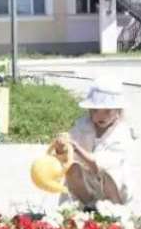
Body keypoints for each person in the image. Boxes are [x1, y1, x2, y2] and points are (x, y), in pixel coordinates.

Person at [50, 77, 133, 209]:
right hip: (87, 183)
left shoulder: (121, 133)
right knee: (72, 168)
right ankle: (85, 206)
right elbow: (67, 157)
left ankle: (114, 211)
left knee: (109, 174)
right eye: (95, 111)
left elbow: (98, 165)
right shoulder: (83, 125)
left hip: (111, 185)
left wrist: (76, 148)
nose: (101, 116)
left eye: (107, 111)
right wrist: (61, 148)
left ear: (118, 111)